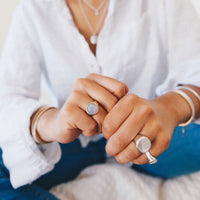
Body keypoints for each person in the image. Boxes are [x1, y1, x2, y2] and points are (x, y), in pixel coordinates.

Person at [0, 0, 200, 199]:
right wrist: (50, 120)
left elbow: (195, 69)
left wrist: (169, 108)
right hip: (73, 142)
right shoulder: (32, 9)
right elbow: (8, 96)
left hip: (154, 138)